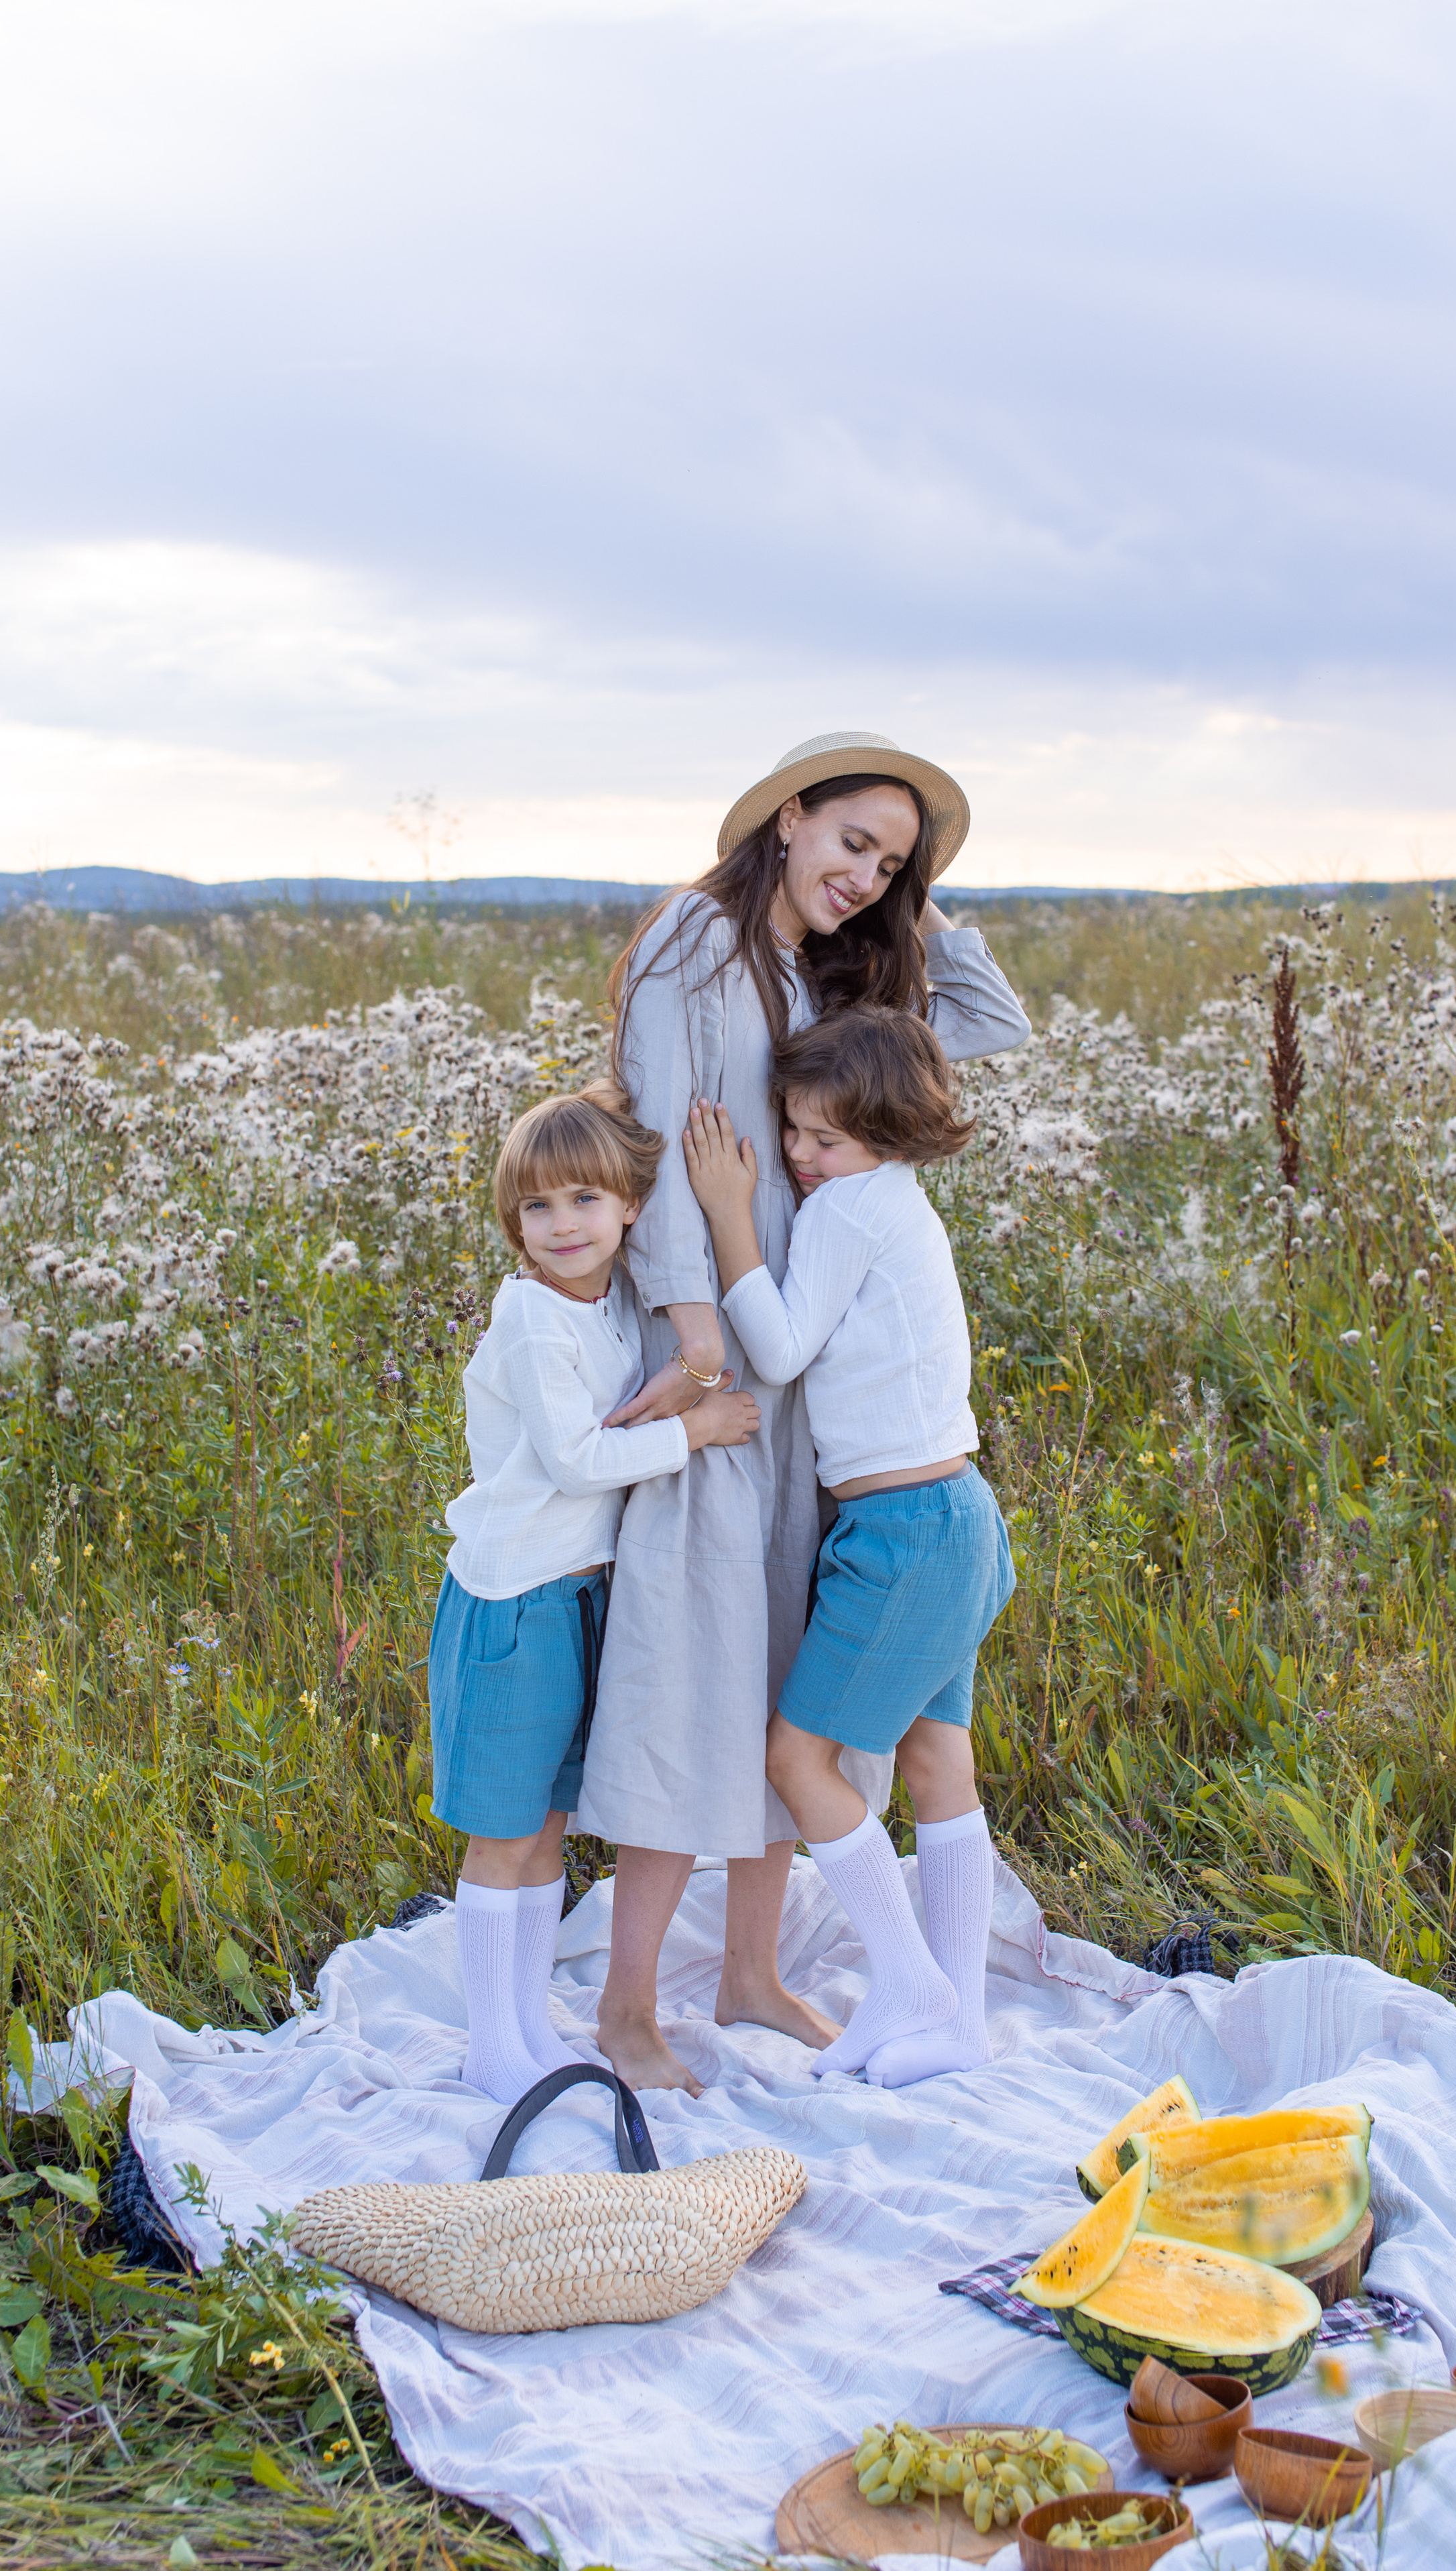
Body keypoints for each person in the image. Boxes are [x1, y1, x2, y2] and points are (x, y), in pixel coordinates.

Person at [573, 732, 1029, 2095]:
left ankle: (754, 1972)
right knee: (688, 1665)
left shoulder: (829, 974)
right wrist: (694, 1331)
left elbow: (988, 1024)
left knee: (782, 1669)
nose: (864, 875)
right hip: (721, 1351)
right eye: (849, 841)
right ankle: (629, 2007)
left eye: (889, 862)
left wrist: (908, 904)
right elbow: (660, 1135)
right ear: (785, 817)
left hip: (808, 1380)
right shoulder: (695, 941)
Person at [682, 1007, 1014, 2088]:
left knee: (795, 1760)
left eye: (825, 1137)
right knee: (936, 1761)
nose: (798, 1154)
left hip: (904, 1533)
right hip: (958, 1516)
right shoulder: (899, 1200)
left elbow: (778, 1349)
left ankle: (912, 1984)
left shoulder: (846, 1209)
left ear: (891, 1129)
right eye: (793, 1128)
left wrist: (729, 1214)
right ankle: (958, 2020)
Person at [428, 1082, 759, 2104]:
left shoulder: (611, 1303)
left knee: (548, 1830)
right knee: (505, 1833)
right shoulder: (531, 1315)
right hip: (515, 1599)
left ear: (629, 1209)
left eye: (584, 1200)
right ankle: (496, 2046)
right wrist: (696, 1429)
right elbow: (574, 1461)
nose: (562, 1224)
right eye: (537, 1206)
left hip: (579, 1599)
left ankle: (529, 2026)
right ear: (513, 1221)